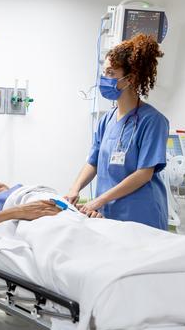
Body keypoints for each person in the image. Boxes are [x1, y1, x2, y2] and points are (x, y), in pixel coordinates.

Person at [65, 34, 170, 229]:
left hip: (141, 216)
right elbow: (93, 162)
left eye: (111, 73)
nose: (104, 78)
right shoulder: (106, 120)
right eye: (104, 72)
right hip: (109, 215)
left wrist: (98, 201)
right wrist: (74, 189)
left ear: (130, 78)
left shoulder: (153, 121)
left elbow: (144, 174)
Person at [0, 178, 102, 231]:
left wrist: (82, 212)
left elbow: (52, 204)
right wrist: (20, 211)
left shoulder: (22, 189)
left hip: (64, 210)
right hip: (37, 218)